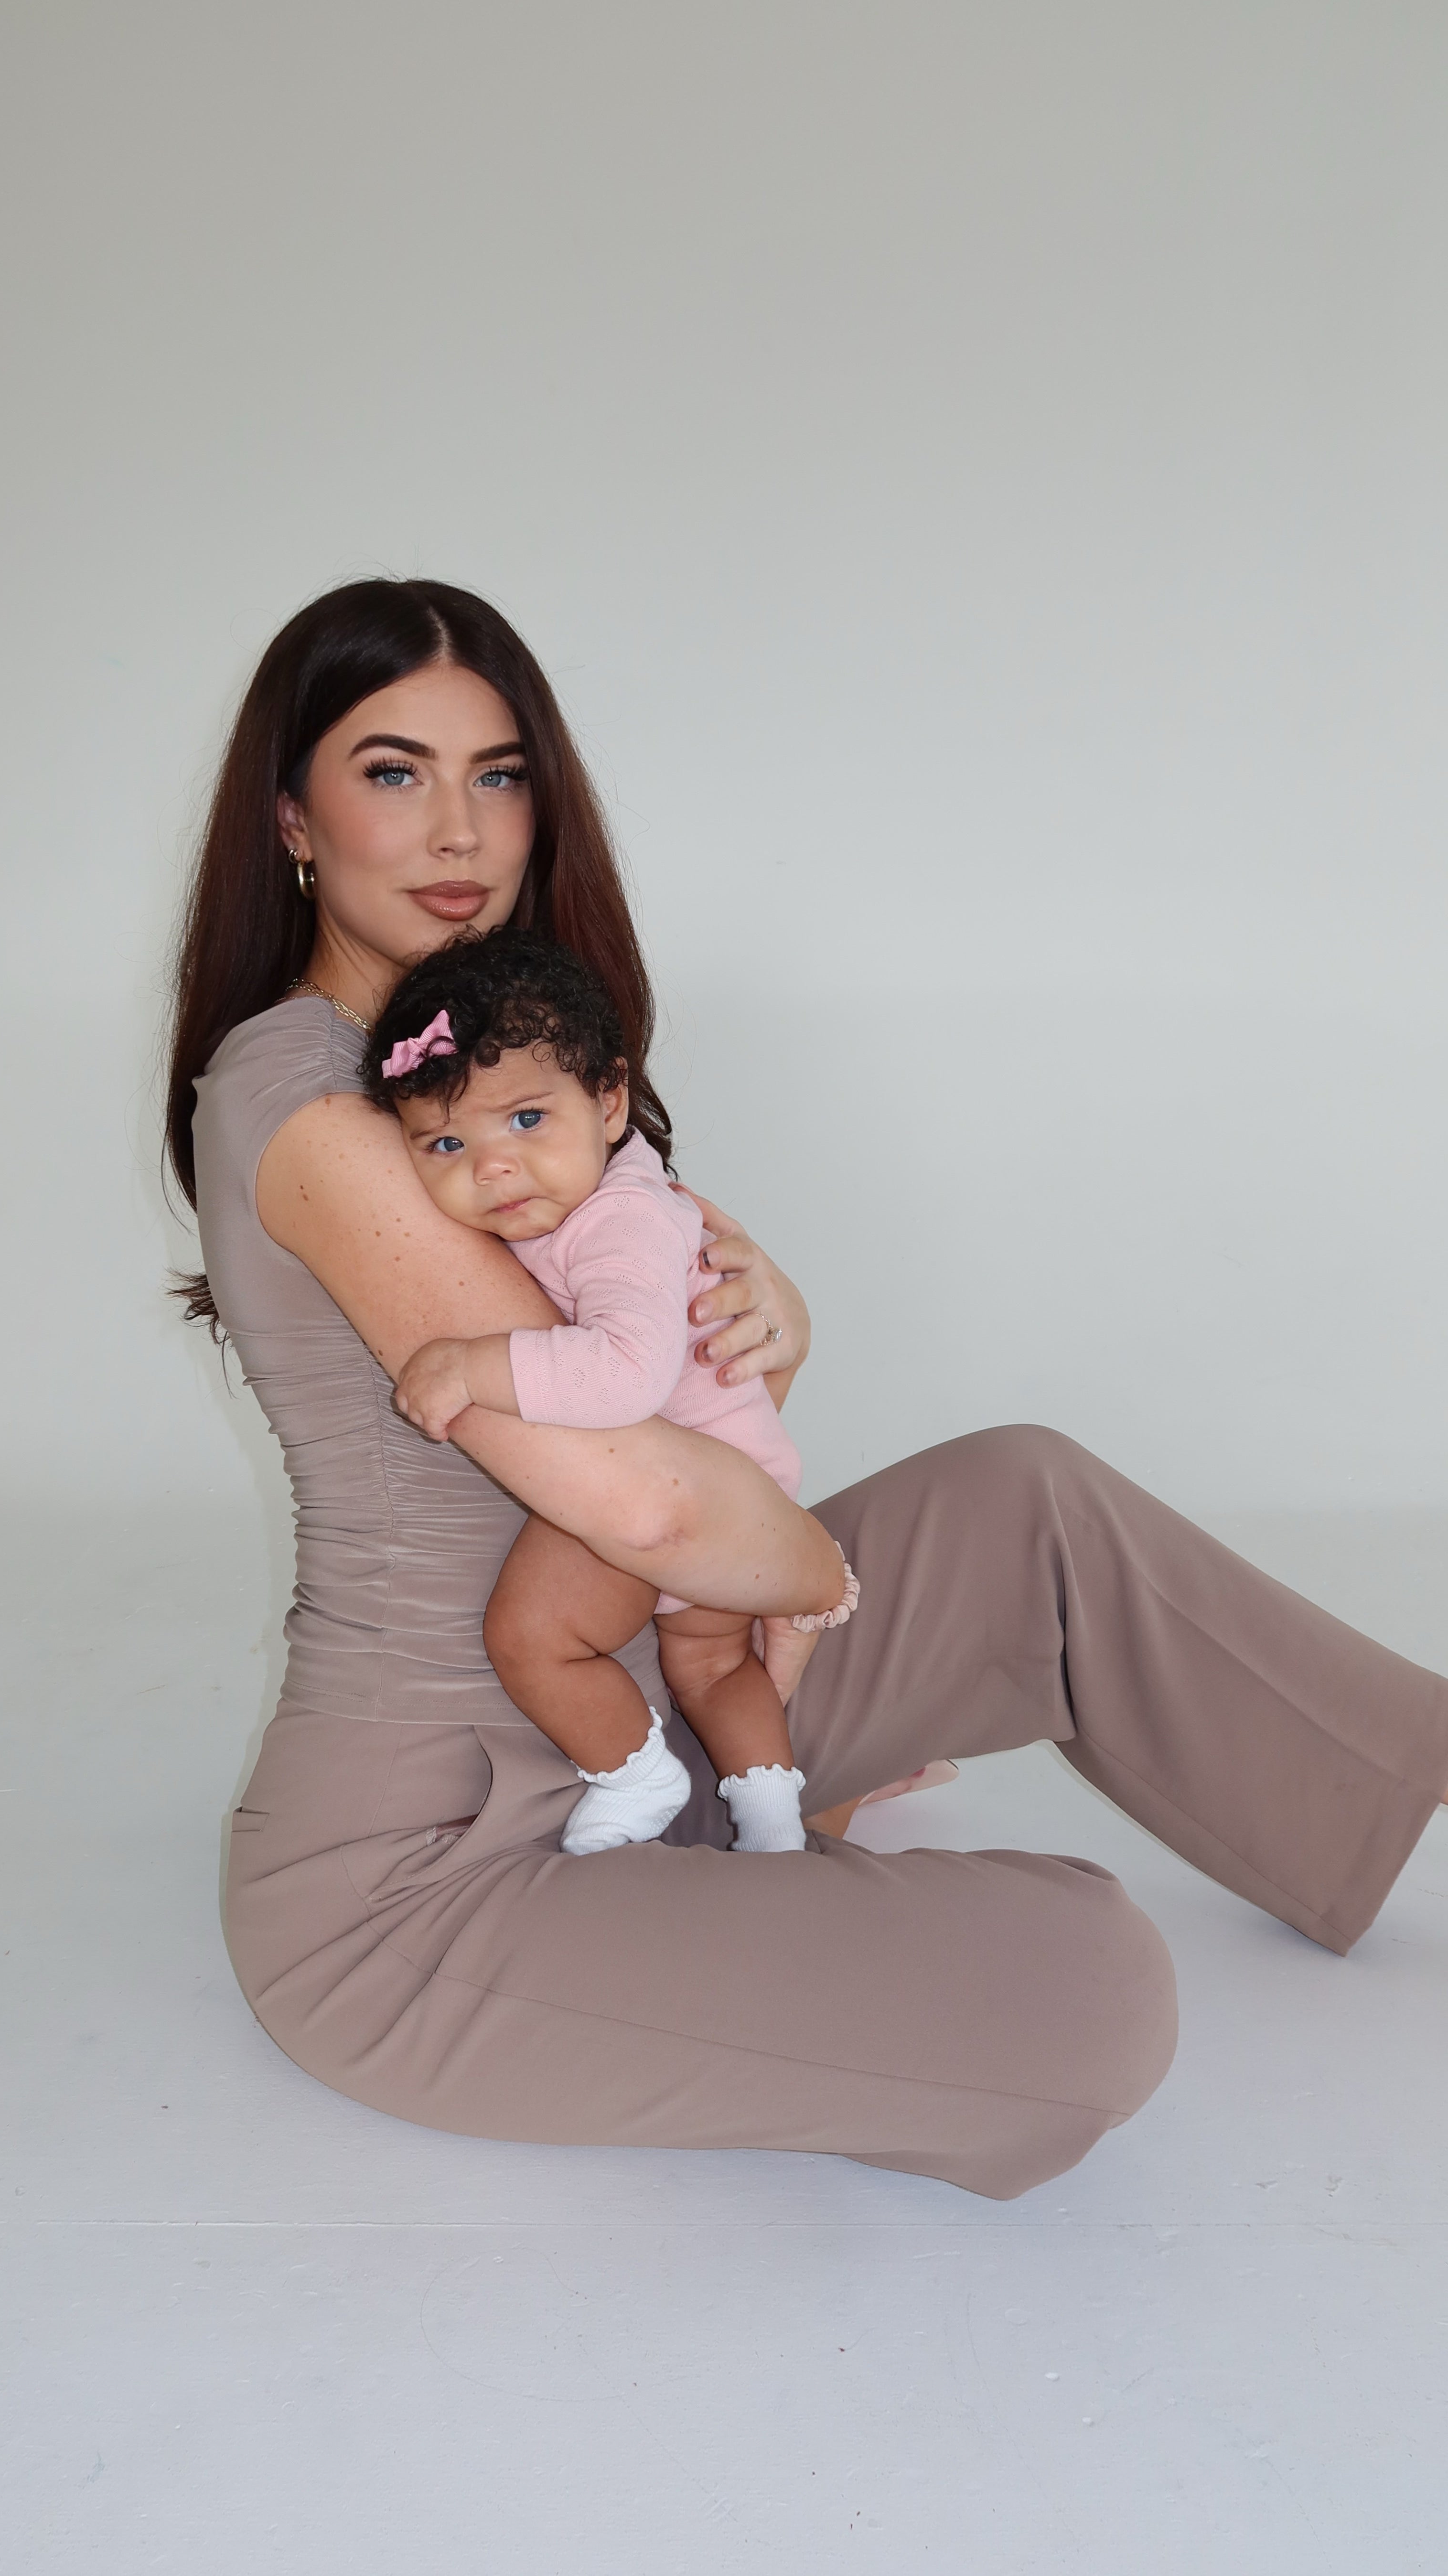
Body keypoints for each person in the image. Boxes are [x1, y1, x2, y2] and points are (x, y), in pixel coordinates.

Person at [169, 576, 1448, 2201]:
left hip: (646, 1693)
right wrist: (815, 1593)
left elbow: (671, 1368)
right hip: (437, 1873)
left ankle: (1403, 1767)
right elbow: (643, 1497)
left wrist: (773, 1316)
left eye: (497, 775)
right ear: (291, 816)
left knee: (1024, 1500)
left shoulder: (506, 1053)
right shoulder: (299, 1096)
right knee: (1093, 1989)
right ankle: (767, 1843)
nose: (457, 832)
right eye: (391, 770)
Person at [362, 927, 859, 1857]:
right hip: (733, 1470)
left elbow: (626, 1374)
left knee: (534, 1637)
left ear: (610, 1099)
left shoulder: (621, 1222)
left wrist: (475, 1365)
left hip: (691, 1483)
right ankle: (772, 1823)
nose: (492, 1166)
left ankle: (635, 1774)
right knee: (711, 1664)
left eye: (524, 1121)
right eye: (444, 1141)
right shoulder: (600, 1198)